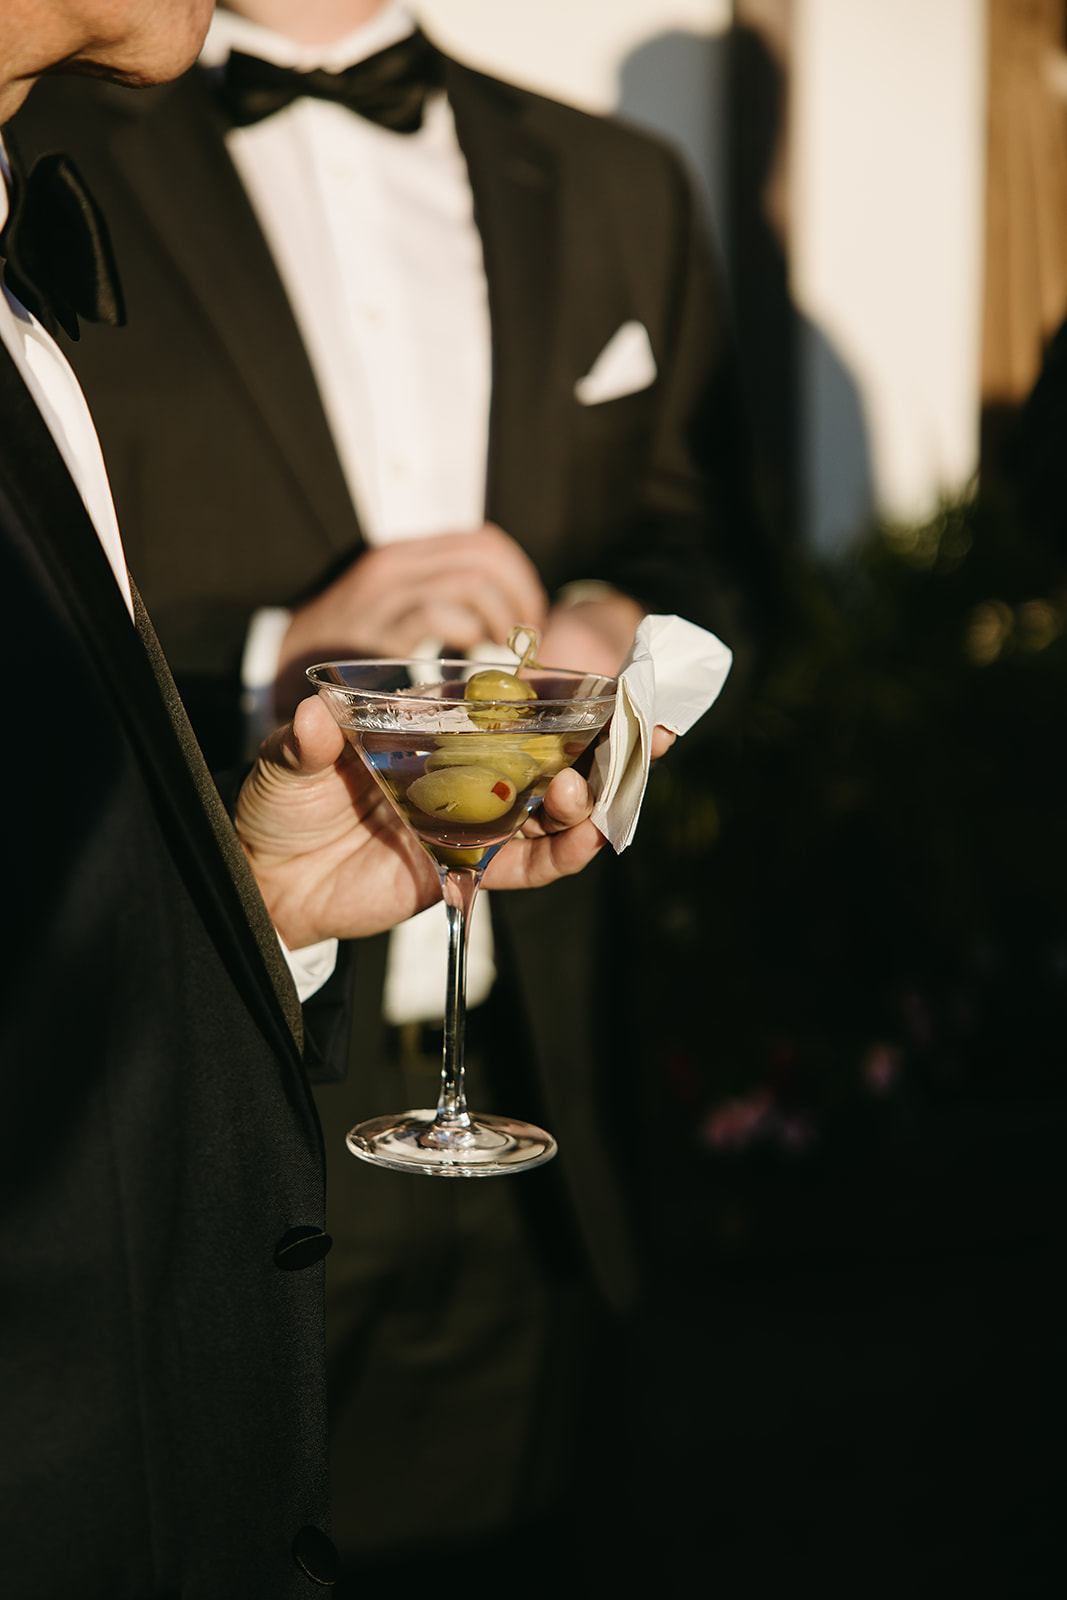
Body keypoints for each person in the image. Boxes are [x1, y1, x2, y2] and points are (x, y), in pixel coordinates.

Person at [11, 0, 761, 1574]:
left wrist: (604, 632)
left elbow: (711, 541)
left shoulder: (621, 183)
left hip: (550, 1122)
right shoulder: (58, 149)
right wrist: (298, 656)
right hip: (202, 1151)